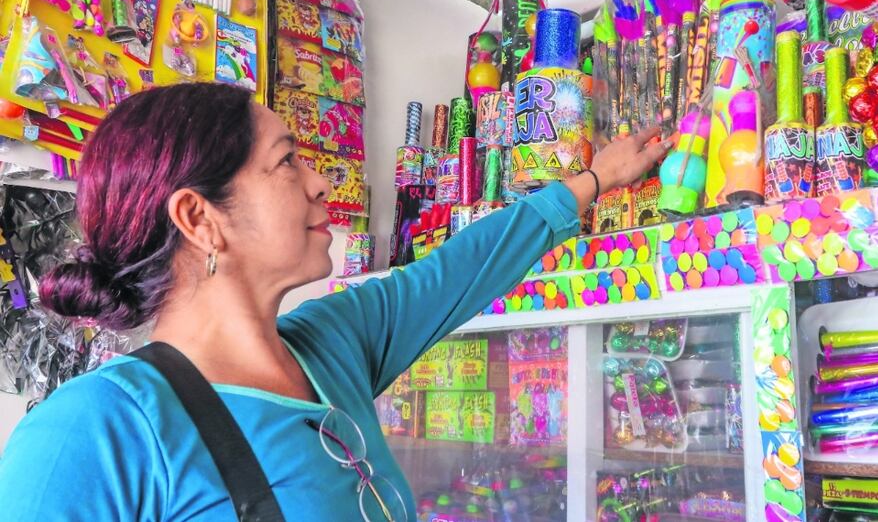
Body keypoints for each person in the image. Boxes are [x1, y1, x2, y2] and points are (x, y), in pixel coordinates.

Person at [0, 83, 669, 520]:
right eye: (288, 161)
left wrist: (594, 180)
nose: (322, 183)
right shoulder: (95, 431)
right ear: (201, 219)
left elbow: (460, 269)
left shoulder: (332, 344)